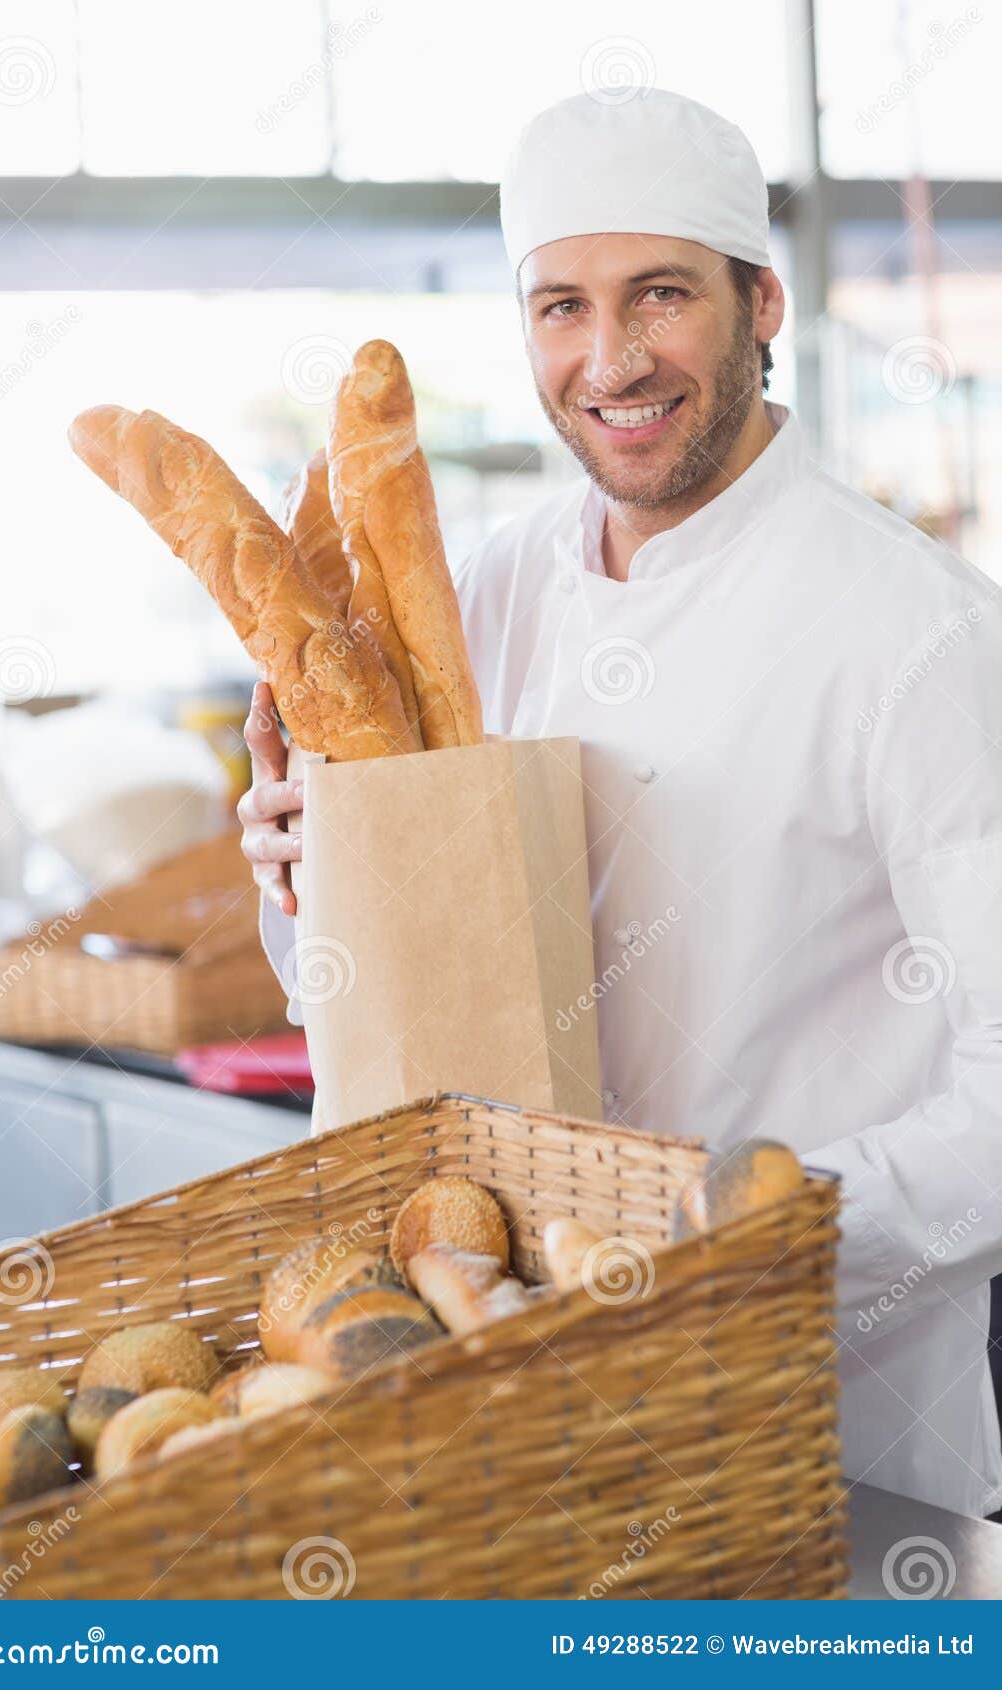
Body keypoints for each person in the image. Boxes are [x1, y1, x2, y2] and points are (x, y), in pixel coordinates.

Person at [240, 88, 1002, 1520]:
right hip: (512, 1401)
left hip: (828, 1429)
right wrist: (303, 881)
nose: (611, 359)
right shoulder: (483, 595)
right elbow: (385, 993)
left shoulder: (927, 637)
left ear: (761, 299)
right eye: (563, 308)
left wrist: (727, 1245)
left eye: (662, 296)